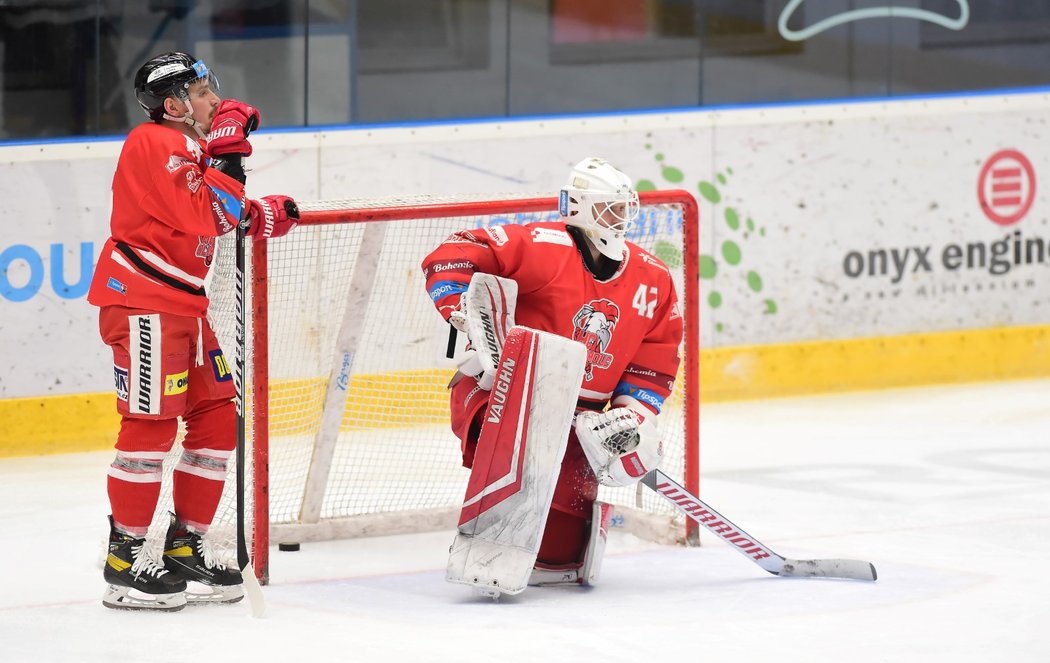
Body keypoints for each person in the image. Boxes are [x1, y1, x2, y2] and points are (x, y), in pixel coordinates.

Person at [87, 52, 300, 611]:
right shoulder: (155, 142)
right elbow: (207, 212)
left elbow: (216, 208)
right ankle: (124, 560)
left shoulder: (191, 149)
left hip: (183, 303)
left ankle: (185, 545)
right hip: (144, 302)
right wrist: (230, 152)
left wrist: (256, 213)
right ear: (175, 105)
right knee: (150, 425)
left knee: (214, 414)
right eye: (203, 92)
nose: (214, 99)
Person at [421, 157, 683, 588]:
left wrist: (630, 416)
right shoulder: (541, 245)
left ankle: (569, 541)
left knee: (560, 557)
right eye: (608, 207)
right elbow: (452, 252)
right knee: (535, 439)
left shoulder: (652, 278)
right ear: (579, 207)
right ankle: (489, 541)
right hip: (498, 391)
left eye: (623, 207)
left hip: (579, 414)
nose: (620, 218)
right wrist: (459, 307)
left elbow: (654, 357)